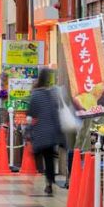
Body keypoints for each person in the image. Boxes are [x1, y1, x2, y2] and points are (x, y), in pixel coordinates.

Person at [27, 67, 64, 195]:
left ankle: (34, 176)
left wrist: (28, 131)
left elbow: (31, 113)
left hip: (39, 132)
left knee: (37, 155)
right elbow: (56, 114)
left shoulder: (35, 94)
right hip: (50, 132)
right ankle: (49, 182)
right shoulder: (52, 94)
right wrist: (59, 132)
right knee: (49, 159)